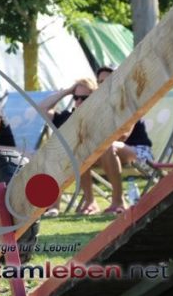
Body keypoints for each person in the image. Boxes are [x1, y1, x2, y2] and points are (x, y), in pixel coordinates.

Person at [95, 64, 155, 214]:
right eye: (100, 82)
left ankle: (118, 200)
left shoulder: (128, 103)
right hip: (111, 151)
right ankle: (89, 202)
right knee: (79, 155)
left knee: (109, 146)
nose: (103, 86)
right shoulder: (99, 107)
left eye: (107, 81)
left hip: (140, 154)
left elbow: (123, 135)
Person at [38, 77, 99, 216]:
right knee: (52, 157)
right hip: (68, 158)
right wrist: (67, 92)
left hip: (95, 154)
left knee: (75, 156)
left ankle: (90, 202)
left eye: (83, 98)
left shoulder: (99, 116)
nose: (78, 101)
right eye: (76, 98)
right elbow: (42, 108)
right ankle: (52, 206)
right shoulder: (66, 117)